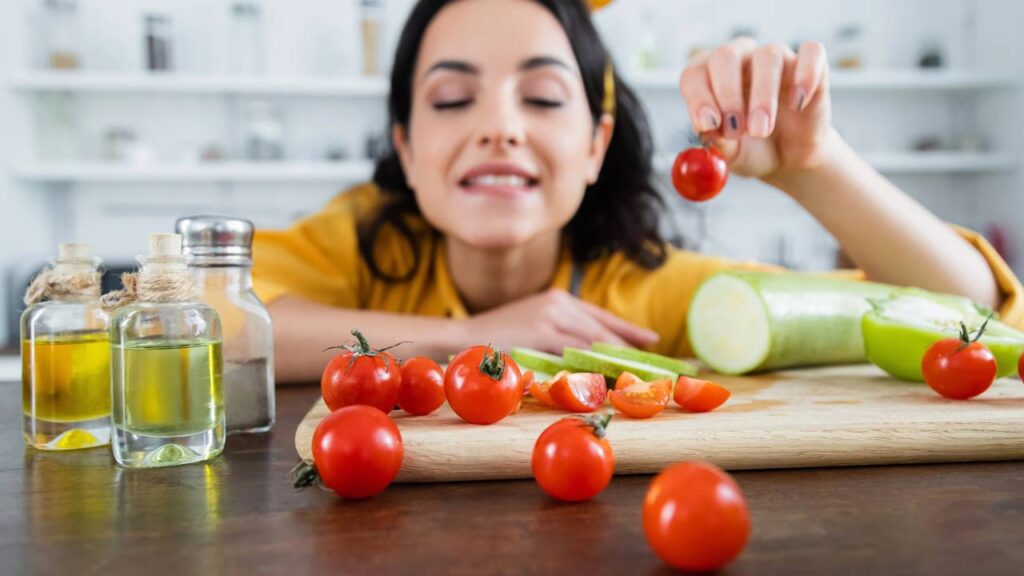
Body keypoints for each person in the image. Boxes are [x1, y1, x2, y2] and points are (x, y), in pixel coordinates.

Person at [253, 0, 1023, 383]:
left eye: (543, 98)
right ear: (405, 149)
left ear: (596, 146)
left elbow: (966, 315)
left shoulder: (647, 292)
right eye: (453, 100)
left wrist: (812, 164)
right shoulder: (358, 237)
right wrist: (474, 338)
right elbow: (217, 320)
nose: (500, 129)